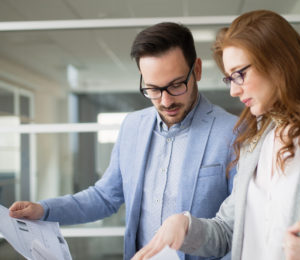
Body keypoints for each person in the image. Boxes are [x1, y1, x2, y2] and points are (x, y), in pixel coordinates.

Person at [132, 10, 300, 260]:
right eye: (229, 78)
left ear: (278, 64)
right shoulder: (254, 143)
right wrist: (185, 226)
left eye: (240, 74)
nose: (233, 90)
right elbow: (228, 230)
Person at [9, 22, 238, 260]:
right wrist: (44, 210)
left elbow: (235, 226)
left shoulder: (232, 132)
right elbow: (104, 197)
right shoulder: (132, 126)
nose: (166, 100)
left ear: (197, 70)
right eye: (152, 89)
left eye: (176, 85)